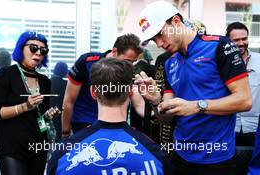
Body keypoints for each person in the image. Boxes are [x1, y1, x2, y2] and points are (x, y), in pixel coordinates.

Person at [136, 1, 252, 174]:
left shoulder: (220, 46)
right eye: (154, 39)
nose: (159, 43)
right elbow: (167, 119)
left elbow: (244, 101)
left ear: (176, 21)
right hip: (179, 156)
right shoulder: (169, 63)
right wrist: (155, 101)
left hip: (216, 160)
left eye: (160, 34)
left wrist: (196, 106)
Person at [47, 58, 173, 175]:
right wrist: (156, 101)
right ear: (130, 92)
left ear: (93, 92)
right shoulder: (155, 153)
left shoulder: (62, 155)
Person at [0, 31, 60, 175]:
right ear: (21, 48)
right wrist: (25, 106)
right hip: (12, 148)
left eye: (43, 50)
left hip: (37, 148)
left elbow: (40, 120)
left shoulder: (44, 81)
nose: (38, 52)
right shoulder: (6, 74)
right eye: (33, 48)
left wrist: (48, 117)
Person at [62, 33, 143, 138]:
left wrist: (156, 104)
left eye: (133, 62)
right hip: (84, 121)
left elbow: (139, 104)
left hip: (115, 124)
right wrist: (65, 132)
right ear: (114, 51)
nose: (130, 66)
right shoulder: (86, 62)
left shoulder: (130, 70)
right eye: (127, 61)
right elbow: (69, 101)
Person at [226, 22, 260, 147]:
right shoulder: (221, 64)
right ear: (228, 41)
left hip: (255, 129)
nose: (241, 43)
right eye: (236, 40)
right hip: (229, 128)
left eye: (244, 39)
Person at [50, 61, 68, 142]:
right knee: (58, 139)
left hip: (47, 113)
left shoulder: (48, 81)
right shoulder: (65, 84)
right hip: (59, 114)